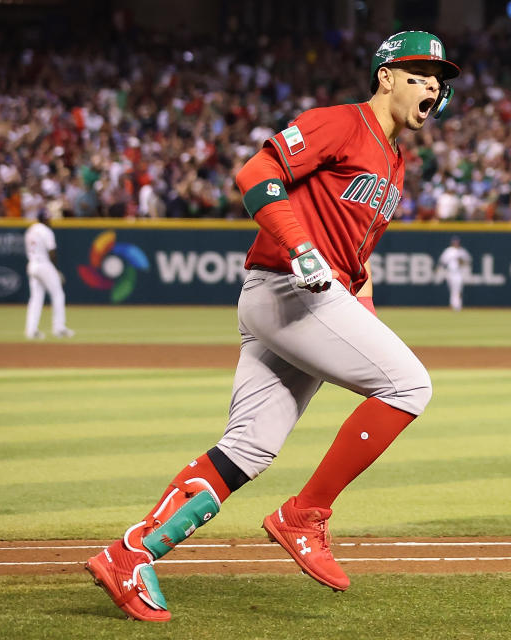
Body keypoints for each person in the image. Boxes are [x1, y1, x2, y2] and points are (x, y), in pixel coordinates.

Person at [84, 31, 460, 622]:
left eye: (440, 77)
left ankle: (132, 553)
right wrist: (301, 248)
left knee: (248, 447)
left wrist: (361, 319)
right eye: (419, 72)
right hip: (289, 288)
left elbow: (357, 264)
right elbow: (256, 170)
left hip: (309, 297)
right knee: (410, 385)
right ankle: (304, 515)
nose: (434, 84)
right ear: (385, 76)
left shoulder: (395, 160)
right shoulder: (341, 123)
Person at [23, 211, 74, 339]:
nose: (50, 220)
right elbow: (52, 252)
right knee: (58, 294)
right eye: (48, 218)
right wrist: (56, 270)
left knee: (36, 298)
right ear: (44, 219)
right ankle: (59, 328)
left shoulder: (31, 230)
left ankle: (31, 330)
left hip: (32, 264)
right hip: (44, 264)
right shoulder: (46, 231)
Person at [438, 235, 471, 311]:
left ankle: (458, 306)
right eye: (454, 242)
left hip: (459, 273)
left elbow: (468, 262)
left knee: (458, 290)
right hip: (450, 272)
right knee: (452, 290)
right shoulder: (448, 251)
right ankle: (453, 305)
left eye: (457, 242)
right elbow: (442, 262)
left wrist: (461, 261)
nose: (456, 243)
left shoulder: (462, 251)